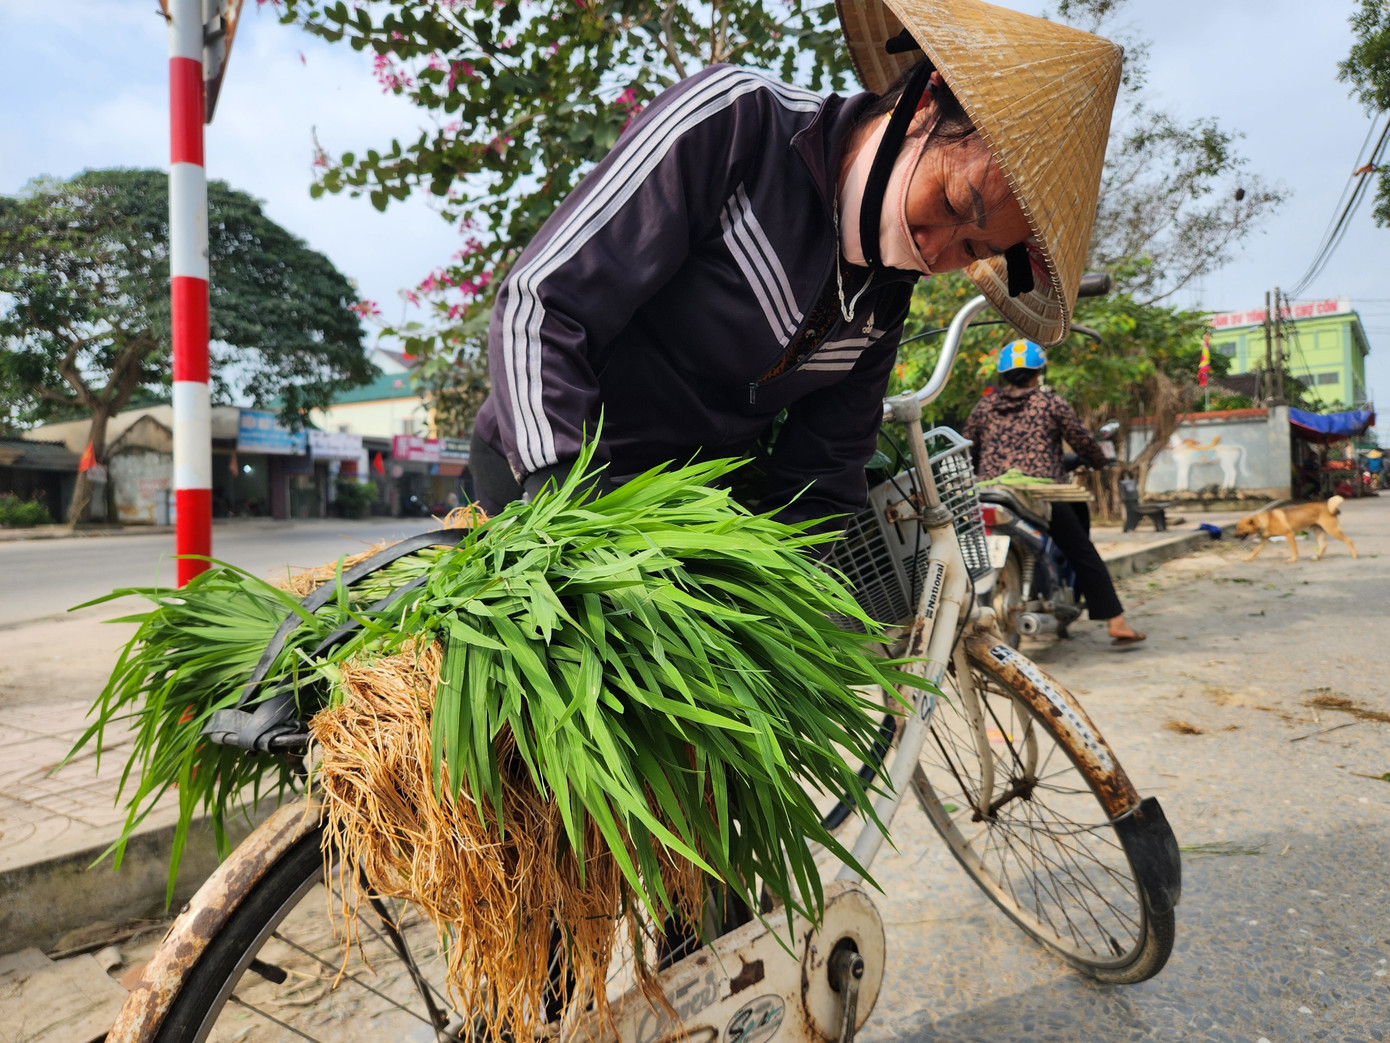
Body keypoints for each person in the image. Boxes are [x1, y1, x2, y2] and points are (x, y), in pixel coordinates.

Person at [469, 0, 1124, 540]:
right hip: (553, 473)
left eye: (975, 251)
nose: (936, 247)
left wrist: (792, 581)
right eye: (954, 202)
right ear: (921, 104)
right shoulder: (740, 126)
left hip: (683, 514)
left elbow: (828, 459)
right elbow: (543, 302)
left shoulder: (883, 296)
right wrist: (570, 500)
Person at [963, 339, 1145, 645]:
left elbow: (967, 447)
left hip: (992, 490)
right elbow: (1082, 440)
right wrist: (1099, 460)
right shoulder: (1049, 402)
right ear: (1038, 373)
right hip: (1041, 492)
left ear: (1004, 375)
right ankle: (1116, 621)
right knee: (1081, 551)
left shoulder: (985, 406)